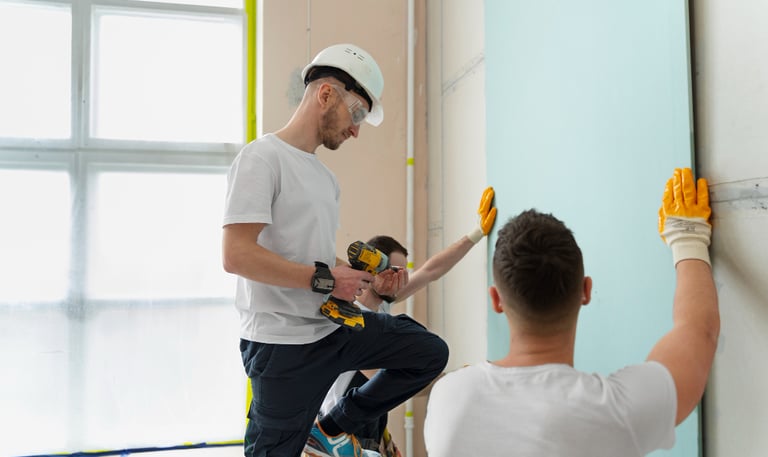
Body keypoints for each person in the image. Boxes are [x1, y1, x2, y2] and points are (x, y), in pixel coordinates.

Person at [221, 43, 449, 457]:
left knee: (428, 353)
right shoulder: (262, 158)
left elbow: (317, 257)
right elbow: (236, 255)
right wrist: (326, 279)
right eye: (357, 114)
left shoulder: (326, 180)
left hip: (332, 330)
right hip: (281, 347)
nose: (356, 130)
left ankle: (331, 427)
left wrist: (369, 281)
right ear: (326, 94)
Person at [424, 167, 719, 457]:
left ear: (496, 300)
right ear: (586, 291)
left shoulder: (448, 398)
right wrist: (687, 236)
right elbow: (698, 330)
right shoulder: (617, 412)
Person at [317, 187, 497, 456]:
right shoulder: (351, 317)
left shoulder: (383, 306)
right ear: (371, 271)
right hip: (340, 433)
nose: (400, 278)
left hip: (367, 432)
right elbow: (386, 375)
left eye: (403, 271)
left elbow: (430, 271)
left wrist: (476, 233)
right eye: (393, 270)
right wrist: (460, 379)